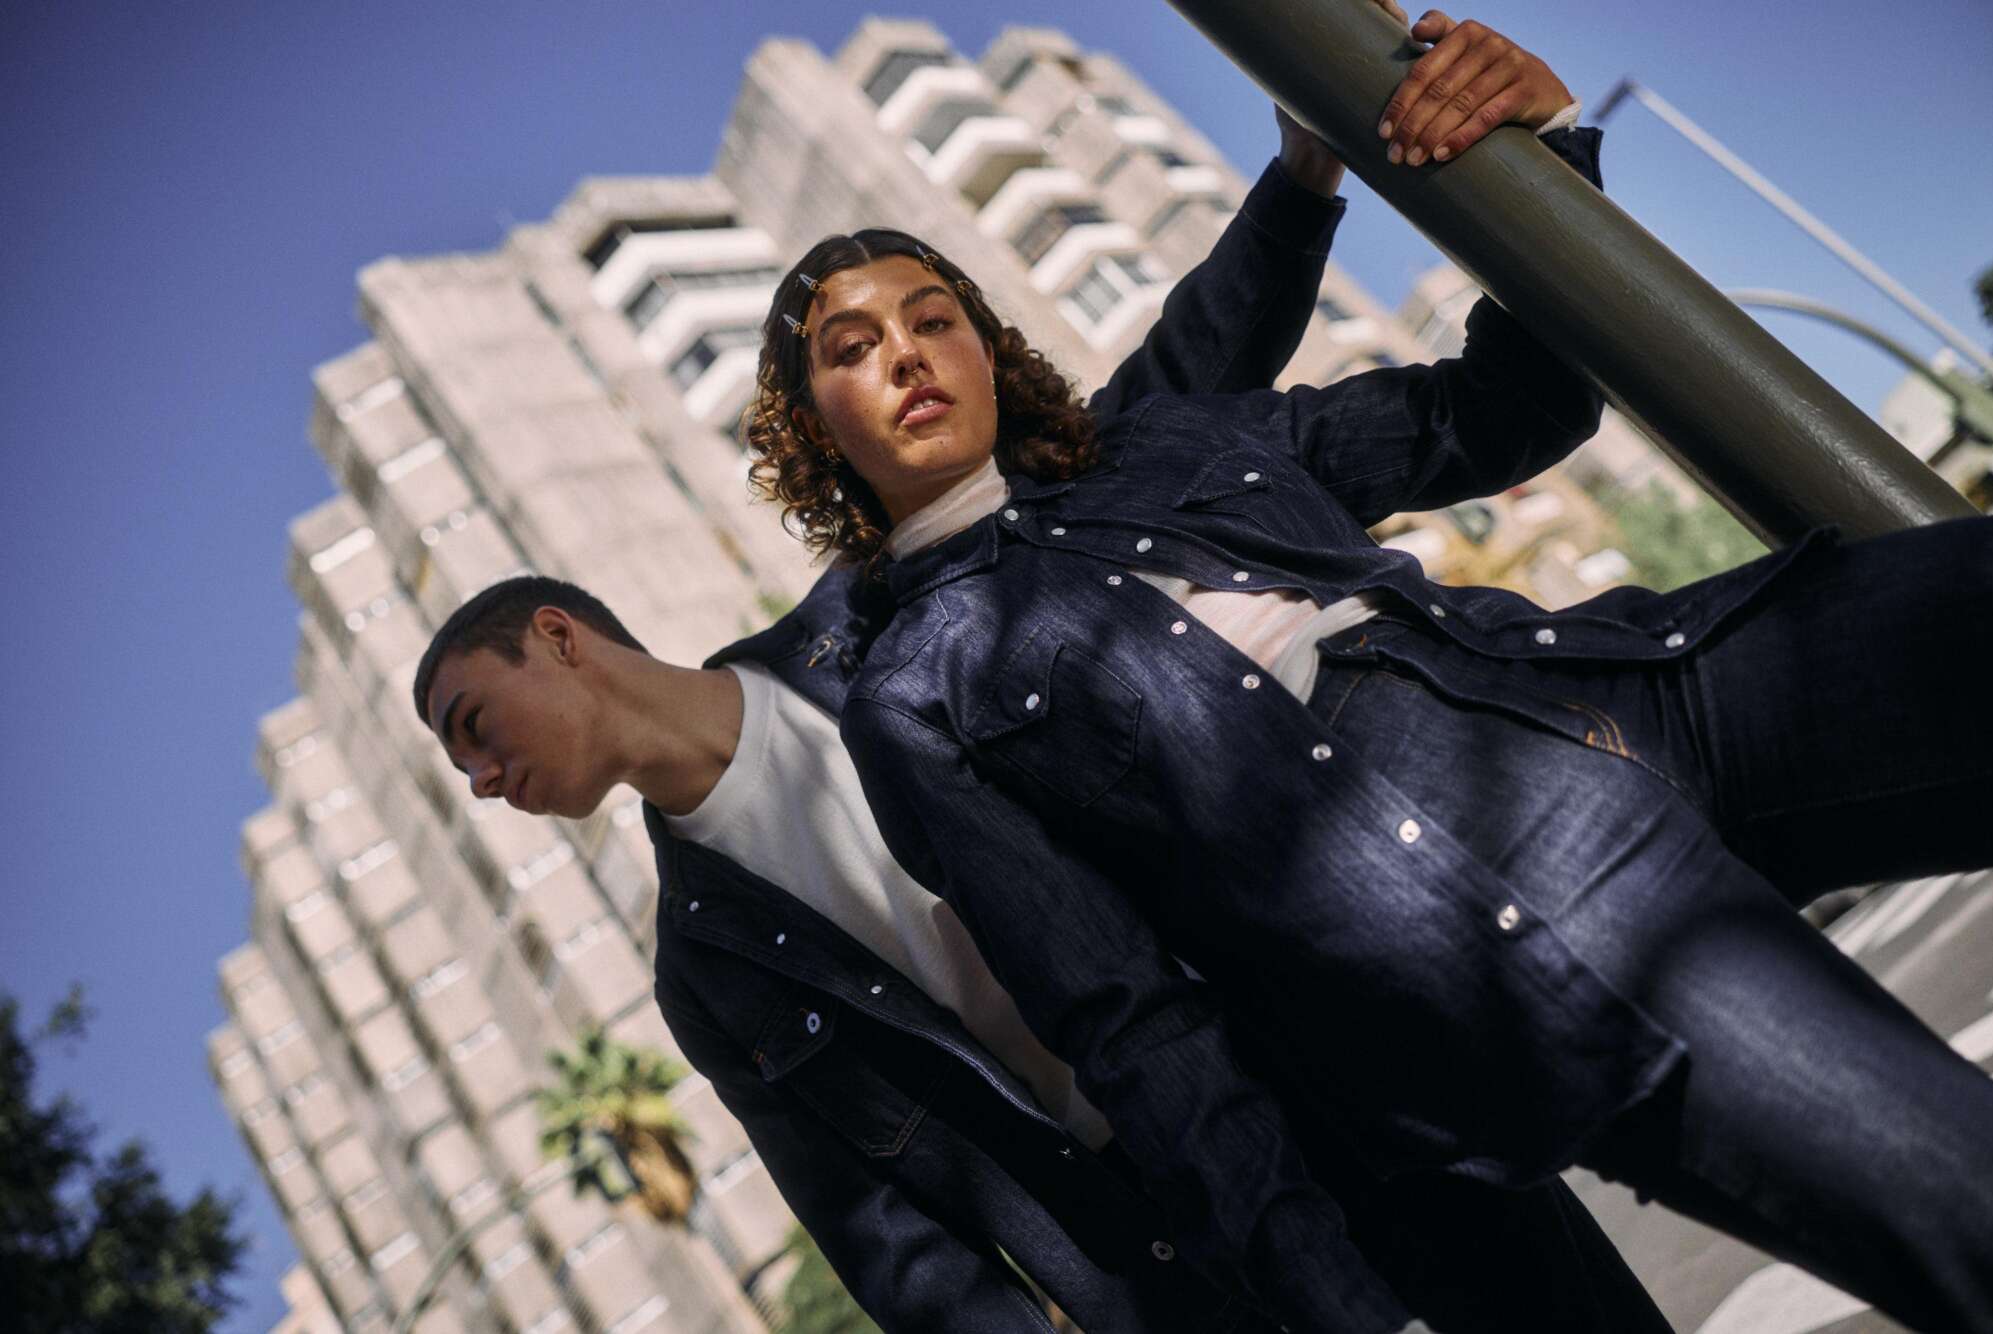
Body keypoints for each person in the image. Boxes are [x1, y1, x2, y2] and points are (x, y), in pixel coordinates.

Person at [413, 17, 1679, 1331]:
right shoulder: (708, 968)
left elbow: (1146, 412)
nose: (484, 778)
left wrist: (1304, 182)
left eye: (474, 725)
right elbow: (902, 1250)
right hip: (1184, 1268)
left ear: (557, 637)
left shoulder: (900, 606)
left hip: (1338, 1089)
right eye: (465, 765)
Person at [753, 9, 1993, 1333]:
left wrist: (1548, 147)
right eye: (850, 347)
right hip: (1515, 904)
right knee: (1966, 1196)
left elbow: (1503, 408)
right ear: (817, 429)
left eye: (932, 315)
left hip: (1638, 682)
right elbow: (1133, 1021)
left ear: (985, 348)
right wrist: (1338, 1306)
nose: (902, 351)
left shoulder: (1166, 438)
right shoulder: (914, 697)